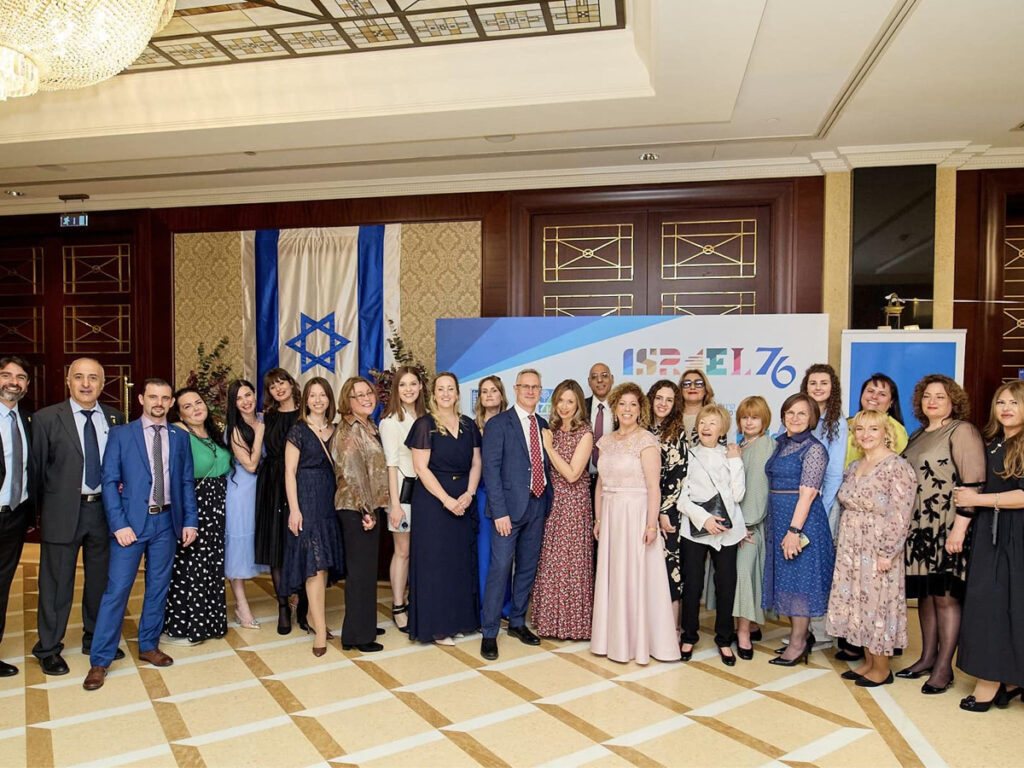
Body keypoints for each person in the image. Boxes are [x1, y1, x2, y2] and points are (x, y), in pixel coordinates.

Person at [84, 379, 199, 691]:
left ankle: (148, 645)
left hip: (167, 522)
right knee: (117, 590)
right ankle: (100, 660)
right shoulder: (121, 435)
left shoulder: (179, 437)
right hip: (130, 525)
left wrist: (190, 521)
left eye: (165, 398)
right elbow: (110, 481)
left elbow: (185, 482)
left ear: (171, 402)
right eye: (153, 397)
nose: (158, 403)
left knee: (158, 587)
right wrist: (118, 524)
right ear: (141, 399)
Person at [31, 358, 126, 676]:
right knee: (56, 584)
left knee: (100, 581)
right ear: (68, 381)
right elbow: (36, 471)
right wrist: (39, 516)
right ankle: (48, 648)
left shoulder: (115, 418)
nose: (86, 384)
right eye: (79, 377)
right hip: (62, 512)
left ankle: (95, 638)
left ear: (103, 384)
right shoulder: (46, 419)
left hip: (103, 512)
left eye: (93, 378)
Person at [900, 374, 985, 694]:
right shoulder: (917, 434)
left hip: (948, 527)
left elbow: (973, 483)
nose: (932, 401)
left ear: (953, 401)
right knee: (926, 595)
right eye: (927, 396)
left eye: (940, 396)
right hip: (919, 529)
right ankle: (926, 658)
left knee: (946, 597)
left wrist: (959, 531)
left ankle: (943, 667)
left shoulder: (962, 431)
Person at [591, 383, 680, 664]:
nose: (627, 409)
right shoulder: (606, 441)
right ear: (614, 408)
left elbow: (654, 487)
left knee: (636, 576)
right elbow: (600, 483)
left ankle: (639, 643)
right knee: (614, 574)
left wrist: (651, 524)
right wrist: (598, 518)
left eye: (633, 404)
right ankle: (612, 640)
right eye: (622, 404)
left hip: (636, 514)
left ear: (640, 409)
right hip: (611, 514)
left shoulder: (646, 440)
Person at [826, 410, 917, 687]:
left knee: (878, 604)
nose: (866, 434)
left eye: (873, 429)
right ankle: (868, 662)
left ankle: (882, 669)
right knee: (858, 603)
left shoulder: (897, 467)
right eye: (860, 429)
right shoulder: (855, 466)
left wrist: (888, 552)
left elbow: (901, 514)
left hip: (878, 547)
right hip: (851, 547)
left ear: (886, 433)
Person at [954, 380, 1024, 711]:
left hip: (1015, 535)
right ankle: (1008, 679)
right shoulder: (995, 444)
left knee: (1002, 605)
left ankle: (992, 682)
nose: (1006, 408)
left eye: (1014, 402)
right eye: (1001, 402)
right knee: (990, 604)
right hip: (990, 533)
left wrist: (977, 499)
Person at [480, 368, 551, 660]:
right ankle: (489, 632)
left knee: (527, 567)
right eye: (525, 386)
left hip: (537, 505)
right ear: (516, 389)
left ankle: (518, 622)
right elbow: (491, 470)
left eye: (536, 387)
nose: (530, 391)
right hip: (507, 511)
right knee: (499, 569)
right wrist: (499, 512)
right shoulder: (498, 424)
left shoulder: (543, 424)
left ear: (540, 391)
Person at [408, 372, 482, 646]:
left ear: (458, 393)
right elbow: (420, 468)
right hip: (433, 503)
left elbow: (477, 462)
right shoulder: (424, 425)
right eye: (441, 389)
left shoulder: (468, 424)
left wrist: (469, 494)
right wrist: (446, 500)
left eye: (451, 389)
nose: (446, 393)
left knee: (459, 563)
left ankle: (458, 621)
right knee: (436, 564)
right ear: (433, 394)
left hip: (463, 500)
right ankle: (438, 628)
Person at [762, 393, 835, 666]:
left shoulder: (814, 449)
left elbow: (808, 494)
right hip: (779, 519)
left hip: (802, 523)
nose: (795, 418)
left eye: (802, 413)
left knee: (801, 584)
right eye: (790, 412)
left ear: (813, 418)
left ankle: (798, 643)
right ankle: (800, 637)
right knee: (788, 581)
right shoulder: (781, 443)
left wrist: (794, 531)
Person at [161, 388, 230, 645]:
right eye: (187, 406)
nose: (195, 409)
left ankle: (211, 623)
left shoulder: (214, 432)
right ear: (179, 414)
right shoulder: (178, 433)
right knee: (190, 567)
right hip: (194, 505)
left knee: (212, 566)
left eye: (198, 402)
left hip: (217, 508)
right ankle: (185, 627)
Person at [678, 404, 745, 666]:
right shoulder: (688, 454)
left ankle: (724, 639)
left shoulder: (730, 455)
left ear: (723, 429)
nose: (706, 427)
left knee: (726, 585)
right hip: (694, 530)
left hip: (727, 532)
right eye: (703, 422)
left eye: (713, 423)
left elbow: (738, 494)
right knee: (692, 585)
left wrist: (735, 461)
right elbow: (681, 497)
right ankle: (689, 636)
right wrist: (704, 519)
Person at [283, 377, 344, 658]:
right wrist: (295, 510)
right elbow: (289, 473)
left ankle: (310, 615)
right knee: (314, 566)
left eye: (322, 395)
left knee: (324, 564)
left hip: (330, 503)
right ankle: (319, 629)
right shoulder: (298, 430)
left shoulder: (337, 429)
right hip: (306, 502)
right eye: (312, 395)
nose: (318, 400)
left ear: (329, 399)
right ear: (305, 400)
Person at [533, 379, 594, 639]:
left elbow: (572, 474)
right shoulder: (551, 429)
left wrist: (548, 447)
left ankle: (573, 624)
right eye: (560, 400)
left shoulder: (585, 433)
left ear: (579, 404)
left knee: (571, 563)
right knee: (551, 562)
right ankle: (549, 622)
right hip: (551, 502)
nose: (564, 406)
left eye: (570, 401)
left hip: (574, 504)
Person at [333, 376, 388, 653]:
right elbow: (352, 474)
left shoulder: (368, 424)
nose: (367, 398)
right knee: (359, 574)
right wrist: (366, 510)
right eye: (359, 395)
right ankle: (357, 637)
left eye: (369, 393)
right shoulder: (349, 430)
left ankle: (364, 624)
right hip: (356, 508)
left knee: (366, 572)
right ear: (348, 400)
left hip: (368, 506)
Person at [800, 363, 849, 654]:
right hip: (796, 504)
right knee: (800, 567)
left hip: (822, 506)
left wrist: (821, 507)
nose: (818, 388)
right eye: (813, 383)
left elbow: (833, 472)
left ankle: (821, 633)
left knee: (819, 568)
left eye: (824, 383)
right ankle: (802, 631)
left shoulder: (837, 422)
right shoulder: (798, 414)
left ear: (833, 388)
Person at [255, 368, 303, 634]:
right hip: (273, 483)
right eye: (272, 386)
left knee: (301, 542)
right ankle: (283, 606)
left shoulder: (305, 413)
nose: (278, 389)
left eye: (281, 382)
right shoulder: (267, 417)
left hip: (300, 481)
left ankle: (303, 602)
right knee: (276, 544)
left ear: (291, 384)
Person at [379, 366, 426, 634]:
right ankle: (398, 606)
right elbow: (391, 465)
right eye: (403, 385)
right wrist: (395, 505)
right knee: (403, 551)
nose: (409, 389)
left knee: (419, 551)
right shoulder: (390, 422)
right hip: (403, 493)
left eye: (413, 384)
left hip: (425, 493)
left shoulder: (426, 417)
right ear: (396, 389)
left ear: (420, 387)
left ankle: (413, 599)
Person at [223, 379, 267, 630]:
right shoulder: (234, 429)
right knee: (239, 548)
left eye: (248, 395)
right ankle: (242, 606)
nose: (245, 401)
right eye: (239, 398)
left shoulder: (263, 418)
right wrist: (259, 433)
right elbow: (250, 464)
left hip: (263, 490)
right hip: (241, 492)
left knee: (265, 540)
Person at [733, 396, 775, 659]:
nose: (749, 422)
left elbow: (758, 492)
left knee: (744, 575)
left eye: (755, 417)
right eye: (745, 417)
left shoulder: (764, 446)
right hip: (738, 525)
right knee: (745, 576)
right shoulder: (742, 445)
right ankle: (753, 625)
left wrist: (743, 525)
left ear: (764, 420)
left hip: (750, 527)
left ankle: (744, 634)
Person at [0, 356, 33, 678]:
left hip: (14, 516)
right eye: (6, 375)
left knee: (2, 585)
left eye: (20, 377)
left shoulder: (27, 420)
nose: (13, 382)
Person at [647, 380, 687, 629]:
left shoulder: (677, 432)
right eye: (659, 398)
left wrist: (662, 512)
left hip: (667, 512)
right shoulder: (639, 428)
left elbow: (678, 476)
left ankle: (672, 630)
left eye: (669, 400)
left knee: (669, 568)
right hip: (639, 508)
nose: (663, 403)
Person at [474, 375, 512, 623]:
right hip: (480, 495)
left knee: (504, 555)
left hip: (505, 497)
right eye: (484, 391)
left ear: (501, 395)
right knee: (484, 555)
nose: (489, 395)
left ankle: (504, 607)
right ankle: (484, 608)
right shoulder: (471, 426)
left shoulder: (511, 424)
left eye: (494, 390)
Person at [845, 374, 908, 467]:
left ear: (891, 402)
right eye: (870, 391)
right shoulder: (847, 423)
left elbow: (897, 465)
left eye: (882, 394)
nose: (874, 396)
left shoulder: (895, 428)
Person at [585, 363, 614, 494]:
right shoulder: (580, 407)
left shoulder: (622, 408)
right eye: (594, 377)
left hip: (614, 482)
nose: (600, 380)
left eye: (604, 375)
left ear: (612, 379)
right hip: (584, 482)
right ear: (589, 382)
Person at [678, 369, 714, 447]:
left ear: (705, 390)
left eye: (698, 383)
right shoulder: (671, 418)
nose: (692, 387)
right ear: (681, 390)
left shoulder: (715, 417)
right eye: (687, 384)